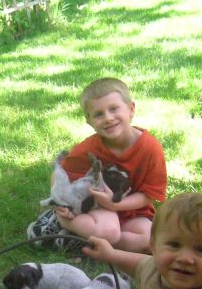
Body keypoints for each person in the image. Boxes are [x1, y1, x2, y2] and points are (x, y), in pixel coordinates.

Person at [55, 77, 167, 253]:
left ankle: (81, 239)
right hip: (97, 208)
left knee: (149, 241)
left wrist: (116, 205)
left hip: (133, 209)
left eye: (114, 109)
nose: (108, 118)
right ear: (89, 121)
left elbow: (148, 194)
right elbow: (60, 172)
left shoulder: (151, 148)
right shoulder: (89, 149)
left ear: (131, 109)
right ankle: (64, 223)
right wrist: (62, 204)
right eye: (99, 114)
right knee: (110, 233)